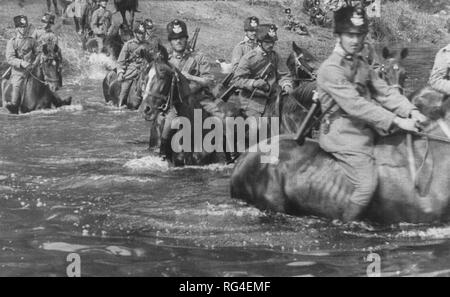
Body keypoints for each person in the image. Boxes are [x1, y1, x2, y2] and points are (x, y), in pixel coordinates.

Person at [316, 6, 427, 221]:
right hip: (344, 136)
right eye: (350, 35)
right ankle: (344, 228)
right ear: (338, 35)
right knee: (366, 185)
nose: (355, 40)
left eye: (360, 35)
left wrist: (412, 111)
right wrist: (397, 121)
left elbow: (385, 92)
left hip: (369, 129)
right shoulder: (331, 69)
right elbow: (355, 105)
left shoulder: (361, 63)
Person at [157, 19, 215, 160]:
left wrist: (191, 77)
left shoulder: (198, 57)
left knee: (221, 120)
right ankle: (163, 154)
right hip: (176, 104)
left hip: (199, 100)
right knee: (167, 125)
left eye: (182, 38)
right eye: (175, 39)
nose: (179, 41)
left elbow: (209, 80)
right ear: (170, 41)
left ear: (186, 39)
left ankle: (228, 156)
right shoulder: (166, 60)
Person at [231, 24, 294, 118]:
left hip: (272, 98)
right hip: (252, 101)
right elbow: (237, 80)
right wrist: (253, 83)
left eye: (273, 42)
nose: (271, 45)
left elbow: (284, 74)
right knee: (256, 128)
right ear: (259, 42)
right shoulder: (249, 58)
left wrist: (287, 84)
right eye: (267, 42)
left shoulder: (275, 56)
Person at [4, 15, 39, 114]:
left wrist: (35, 63)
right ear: (17, 28)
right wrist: (23, 63)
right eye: (21, 27)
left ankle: (56, 101)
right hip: (18, 72)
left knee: (45, 82)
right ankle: (14, 106)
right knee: (17, 85)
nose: (23, 29)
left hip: (32, 70)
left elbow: (38, 53)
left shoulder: (32, 40)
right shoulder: (12, 42)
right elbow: (10, 59)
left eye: (25, 26)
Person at [116, 21, 153, 107]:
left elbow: (152, 59)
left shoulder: (148, 45)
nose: (142, 35)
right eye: (139, 33)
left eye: (143, 33)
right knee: (125, 86)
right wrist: (120, 73)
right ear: (135, 33)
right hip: (132, 70)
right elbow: (121, 61)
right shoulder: (128, 45)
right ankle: (120, 105)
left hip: (145, 69)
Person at [31, 13, 63, 87]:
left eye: (46, 23)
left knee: (57, 64)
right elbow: (32, 42)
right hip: (38, 52)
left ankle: (58, 82)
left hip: (49, 53)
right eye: (43, 22)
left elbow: (55, 44)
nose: (44, 24)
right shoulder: (37, 31)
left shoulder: (52, 33)